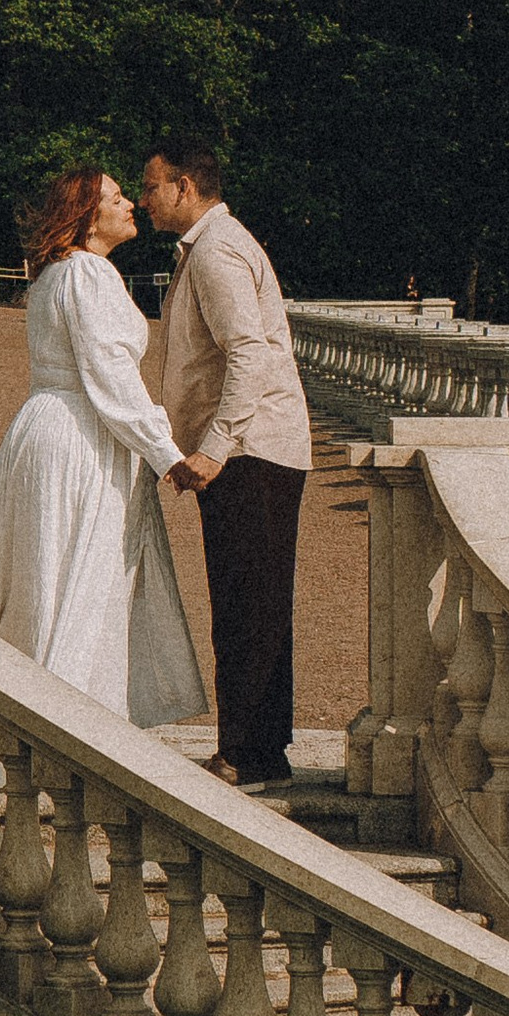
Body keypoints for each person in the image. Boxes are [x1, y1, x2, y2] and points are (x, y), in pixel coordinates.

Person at [0, 168, 205, 725]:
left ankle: (34, 716)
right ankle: (67, 726)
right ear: (89, 216)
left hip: (42, 429)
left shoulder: (53, 276)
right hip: (82, 437)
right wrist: (168, 454)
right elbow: (110, 375)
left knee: (41, 576)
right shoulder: (89, 274)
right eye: (117, 199)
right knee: (81, 579)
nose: (130, 206)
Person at [139, 140, 313, 787]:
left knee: (250, 600)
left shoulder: (216, 251)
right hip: (251, 450)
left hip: (253, 451)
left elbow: (250, 355)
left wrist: (214, 447)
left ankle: (249, 753)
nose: (143, 198)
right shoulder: (209, 249)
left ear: (185, 186)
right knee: (250, 598)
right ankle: (258, 746)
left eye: (152, 185)